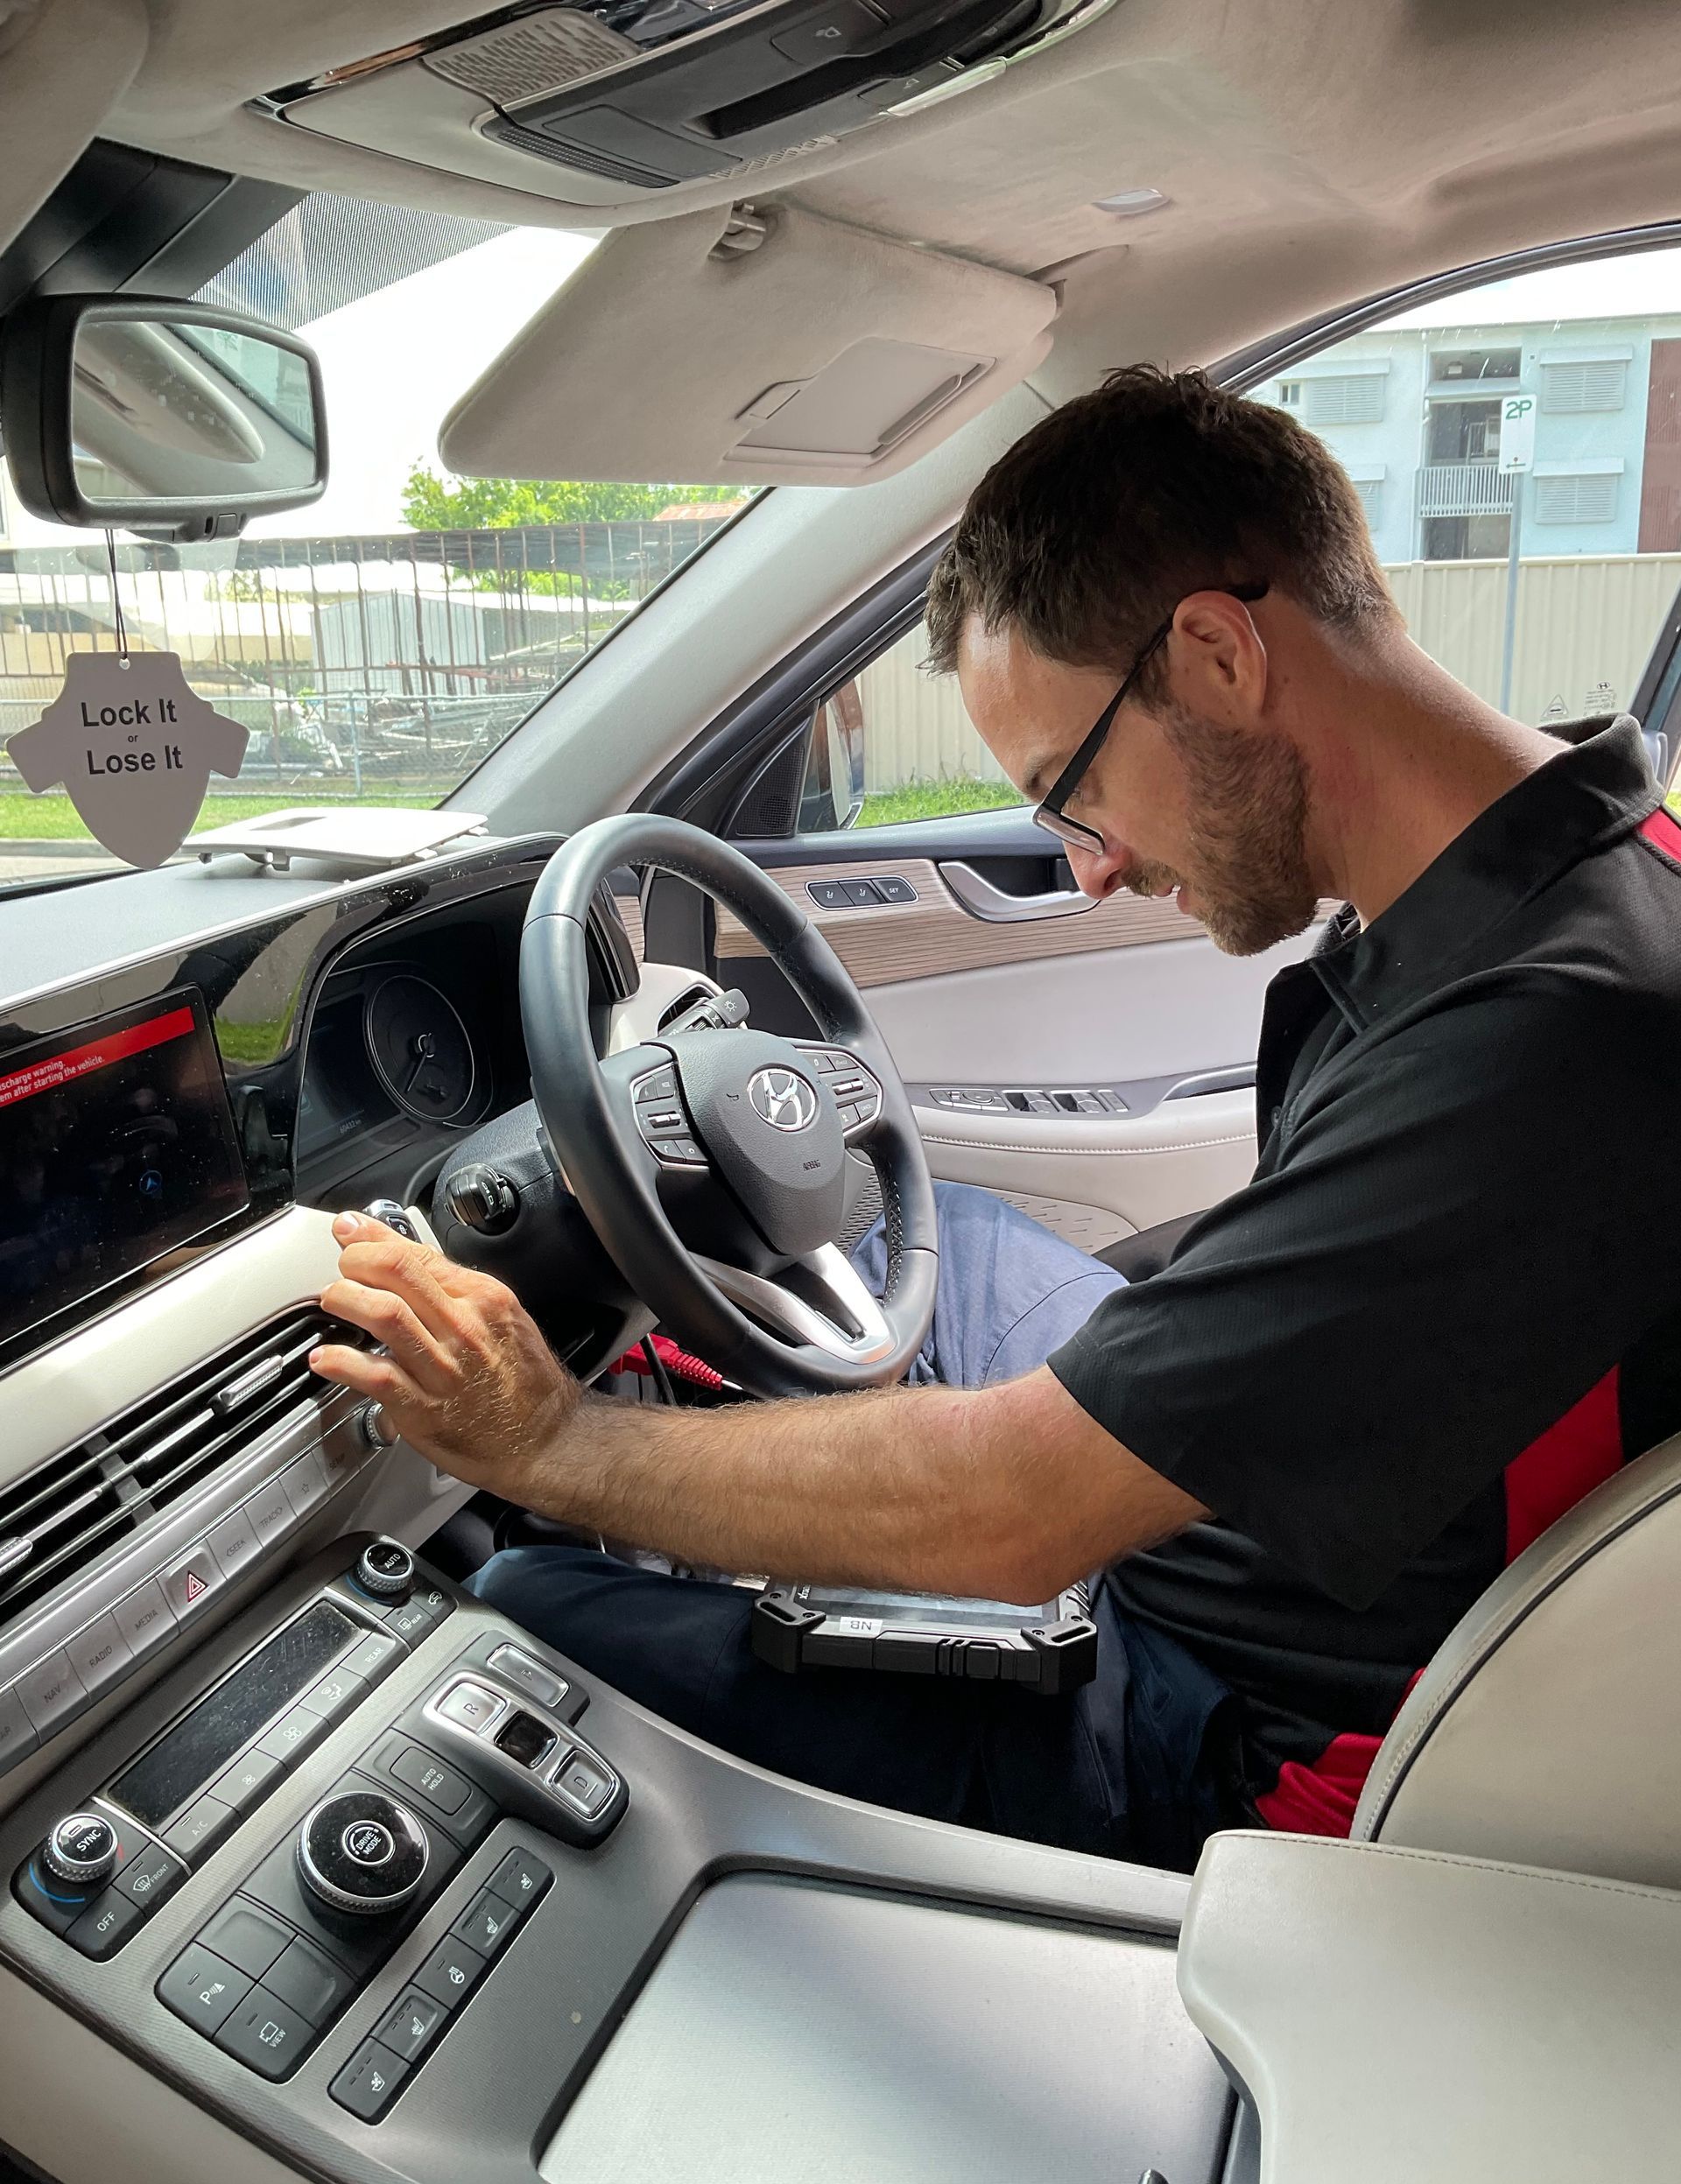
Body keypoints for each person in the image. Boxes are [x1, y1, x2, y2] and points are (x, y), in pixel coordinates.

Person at [311, 365, 1681, 1869]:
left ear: (1219, 655)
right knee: (919, 1222)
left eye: (1072, 791)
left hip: (1239, 1719)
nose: (1089, 869)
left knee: (527, 1609)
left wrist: (549, 1441)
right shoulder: (1573, 866)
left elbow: (1020, 1514)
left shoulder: (1554, 1040)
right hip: (1254, 1500)